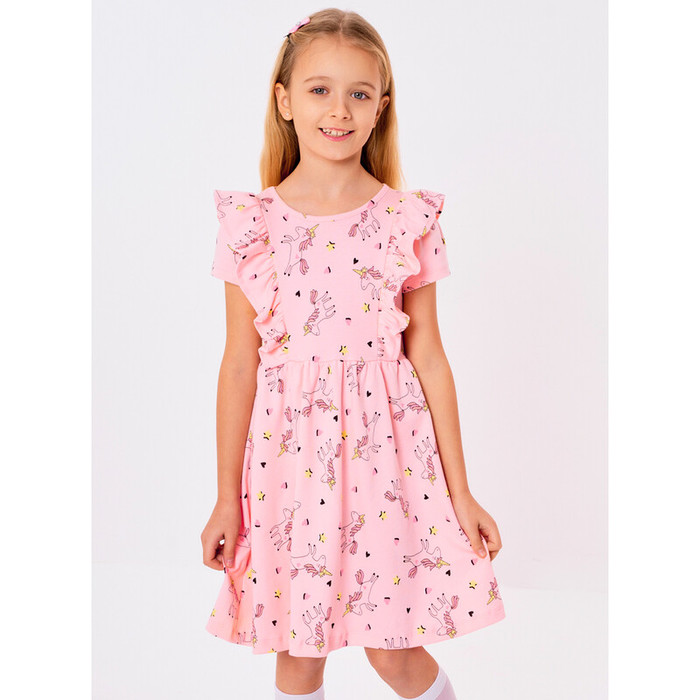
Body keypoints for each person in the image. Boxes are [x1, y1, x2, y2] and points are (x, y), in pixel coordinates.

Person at [200, 8, 506, 699]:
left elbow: (429, 357)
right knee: (297, 657)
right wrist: (225, 499)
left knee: (393, 652)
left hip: (388, 463)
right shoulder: (252, 226)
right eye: (319, 90)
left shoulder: (405, 220)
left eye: (359, 93)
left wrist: (460, 493)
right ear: (284, 100)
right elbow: (239, 363)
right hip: (289, 468)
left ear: (380, 108)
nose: (339, 109)